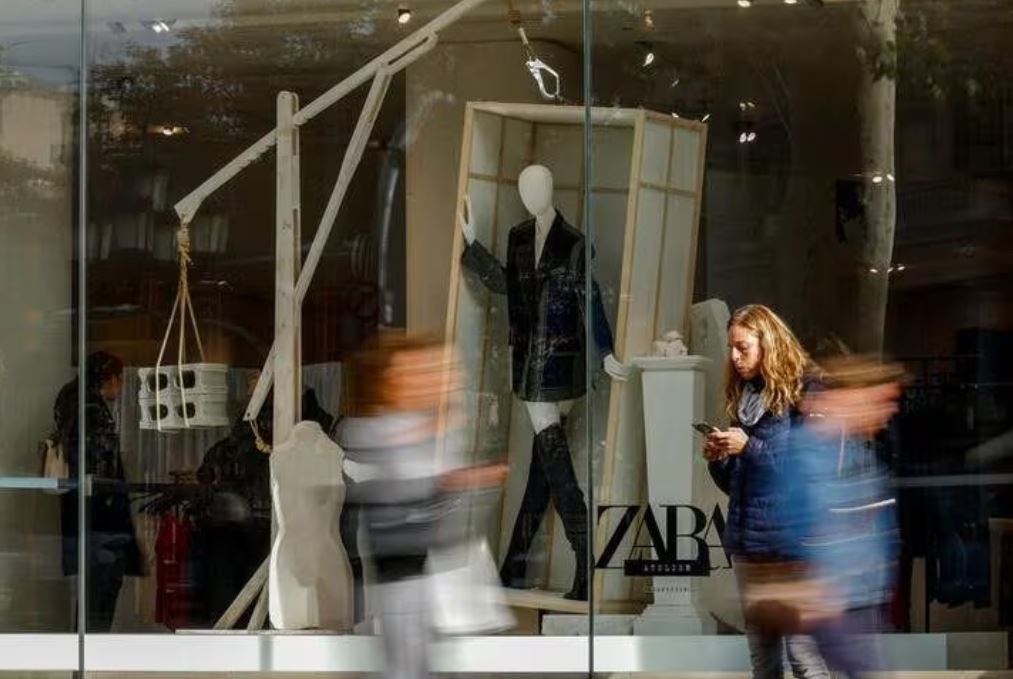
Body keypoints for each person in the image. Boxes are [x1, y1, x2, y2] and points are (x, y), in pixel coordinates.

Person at [336, 334, 506, 679]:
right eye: (423, 371)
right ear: (392, 379)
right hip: (405, 580)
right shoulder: (370, 433)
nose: (438, 379)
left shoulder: (438, 434)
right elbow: (400, 491)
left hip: (447, 580)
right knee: (407, 667)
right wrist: (459, 480)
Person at [704, 304, 829, 679]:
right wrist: (719, 458)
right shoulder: (747, 395)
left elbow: (807, 471)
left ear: (768, 343)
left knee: (802, 654)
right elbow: (737, 485)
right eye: (731, 347)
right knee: (763, 658)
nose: (734, 357)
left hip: (793, 542)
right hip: (749, 542)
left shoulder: (805, 390)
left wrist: (749, 448)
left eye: (742, 347)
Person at [783, 354, 904, 678]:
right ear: (856, 396)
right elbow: (805, 519)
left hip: (859, 598)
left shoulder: (856, 450)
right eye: (883, 400)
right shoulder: (814, 451)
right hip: (835, 598)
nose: (889, 412)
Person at [54, 351, 142, 632]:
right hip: (102, 521)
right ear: (110, 379)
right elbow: (103, 469)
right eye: (120, 379)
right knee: (101, 596)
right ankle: (93, 652)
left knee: (91, 597)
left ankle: (87, 649)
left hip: (84, 517)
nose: (121, 386)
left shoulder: (72, 405)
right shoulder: (93, 413)